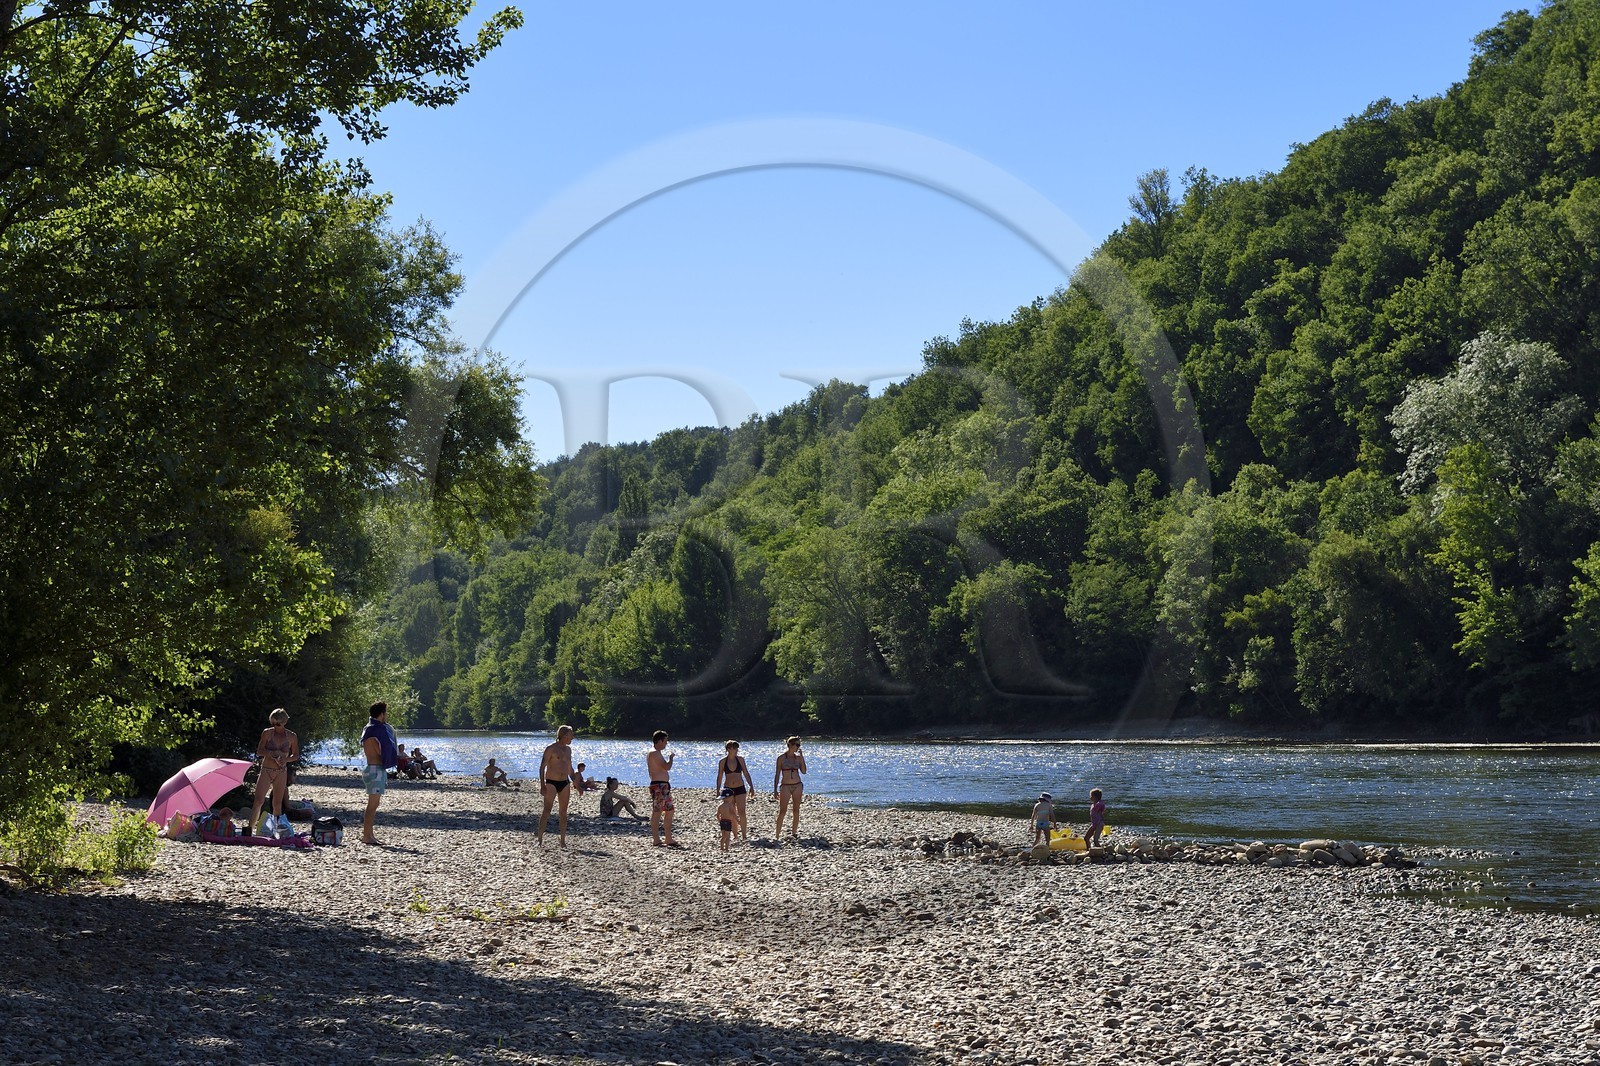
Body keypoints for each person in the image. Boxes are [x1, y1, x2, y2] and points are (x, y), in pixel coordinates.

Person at [248, 708, 299, 836]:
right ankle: (249, 829)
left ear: (284, 722)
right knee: (258, 801)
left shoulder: (292, 736)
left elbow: (296, 755)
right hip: (266, 769)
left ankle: (277, 832)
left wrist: (285, 759)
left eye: (278, 723)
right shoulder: (267, 733)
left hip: (281, 771)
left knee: (277, 803)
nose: (276, 726)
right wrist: (271, 754)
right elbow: (259, 750)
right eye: (274, 723)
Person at [359, 702, 397, 845]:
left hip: (370, 768)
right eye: (385, 713)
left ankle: (369, 834)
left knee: (373, 804)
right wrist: (390, 758)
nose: (386, 716)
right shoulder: (377, 731)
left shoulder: (367, 729)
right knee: (372, 805)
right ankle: (367, 836)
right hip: (376, 770)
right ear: (381, 714)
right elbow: (381, 751)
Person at [537, 725, 577, 848]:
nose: (572, 737)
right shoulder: (551, 749)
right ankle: (539, 839)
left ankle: (562, 841)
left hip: (564, 782)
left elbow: (569, 768)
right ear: (564, 735)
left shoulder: (568, 750)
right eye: (570, 735)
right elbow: (542, 767)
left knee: (563, 812)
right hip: (551, 782)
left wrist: (576, 782)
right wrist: (542, 785)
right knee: (547, 810)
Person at [714, 740, 755, 842]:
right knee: (732, 812)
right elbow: (719, 776)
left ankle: (744, 835)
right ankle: (735, 835)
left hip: (740, 788)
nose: (737, 750)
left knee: (742, 811)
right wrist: (718, 790)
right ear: (729, 749)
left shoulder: (740, 760)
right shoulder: (723, 762)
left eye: (737, 748)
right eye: (735, 748)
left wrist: (751, 786)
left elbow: (746, 773)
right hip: (728, 789)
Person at [772, 736, 807, 841]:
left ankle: (794, 833)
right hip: (785, 786)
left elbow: (804, 771)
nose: (798, 747)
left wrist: (802, 757)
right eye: (797, 745)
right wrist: (775, 789)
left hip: (797, 784)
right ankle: (777, 835)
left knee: (796, 810)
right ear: (790, 745)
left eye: (799, 745)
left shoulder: (798, 758)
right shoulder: (781, 758)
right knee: (783, 810)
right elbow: (777, 774)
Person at [646, 729, 677, 847]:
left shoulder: (654, 752)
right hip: (659, 785)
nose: (666, 744)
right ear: (659, 741)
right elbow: (667, 766)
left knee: (669, 810)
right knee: (657, 811)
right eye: (665, 741)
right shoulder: (654, 752)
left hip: (663, 785)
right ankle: (656, 839)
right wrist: (671, 758)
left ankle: (668, 838)